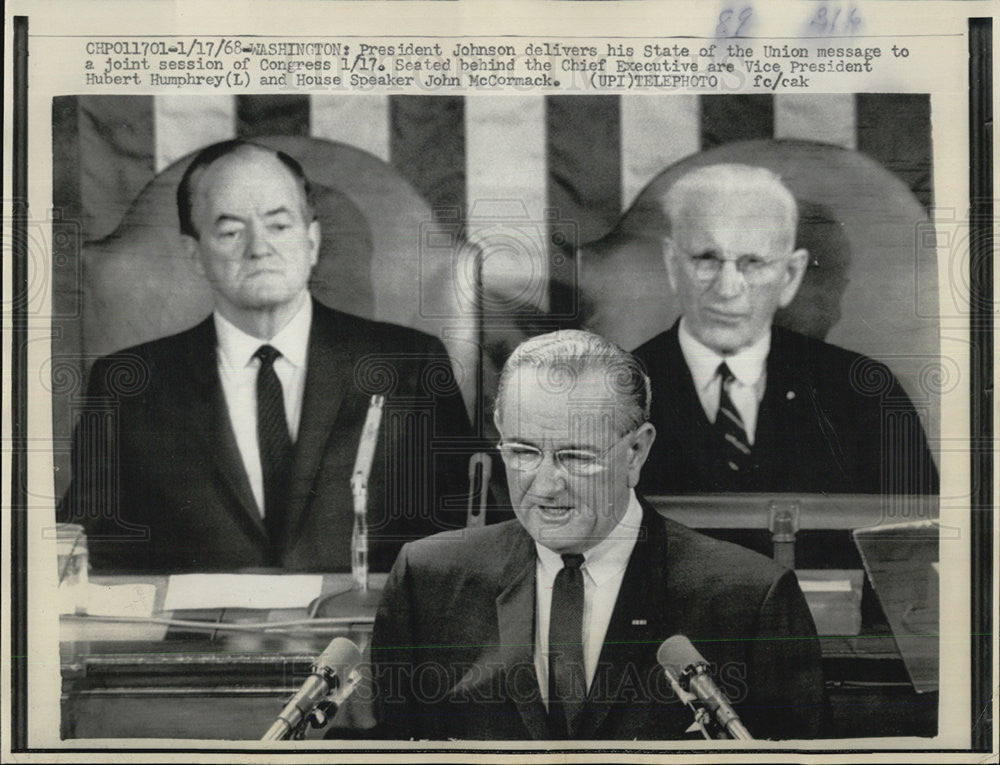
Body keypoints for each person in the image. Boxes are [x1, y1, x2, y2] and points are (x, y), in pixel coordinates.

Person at [369, 330, 825, 740]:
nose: (545, 485)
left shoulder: (748, 597)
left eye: (576, 456)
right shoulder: (427, 580)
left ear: (636, 452)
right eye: (524, 451)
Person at [58, 140, 472, 573]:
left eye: (279, 226)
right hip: (197, 638)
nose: (259, 248)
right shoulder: (128, 384)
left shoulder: (410, 366)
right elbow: (88, 553)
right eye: (231, 231)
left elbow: (469, 533)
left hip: (366, 635)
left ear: (311, 241)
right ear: (193, 254)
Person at [632, 164, 938, 496]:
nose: (727, 288)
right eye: (707, 258)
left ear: (790, 275)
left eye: (753, 262)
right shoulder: (615, 390)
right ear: (673, 265)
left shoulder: (863, 393)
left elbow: (915, 539)